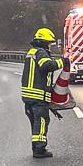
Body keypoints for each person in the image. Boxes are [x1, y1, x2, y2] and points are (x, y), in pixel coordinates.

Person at [22, 27, 64, 157]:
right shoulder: (40, 52)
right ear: (45, 42)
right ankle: (39, 149)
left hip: (29, 96)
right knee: (41, 121)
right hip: (37, 96)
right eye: (49, 43)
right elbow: (47, 66)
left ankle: (36, 147)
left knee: (35, 123)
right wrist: (62, 62)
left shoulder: (32, 52)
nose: (50, 47)